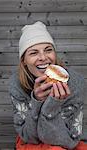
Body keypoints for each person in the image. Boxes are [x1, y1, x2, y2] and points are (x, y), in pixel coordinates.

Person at [9, 21, 87, 150]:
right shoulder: (16, 83)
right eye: (34, 53)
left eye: (48, 50)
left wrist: (52, 105)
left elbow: (67, 141)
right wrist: (37, 101)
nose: (43, 57)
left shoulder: (75, 82)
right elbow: (29, 138)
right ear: (23, 61)